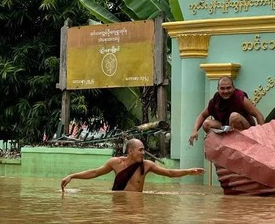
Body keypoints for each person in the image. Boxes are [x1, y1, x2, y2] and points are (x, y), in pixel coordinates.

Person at [60, 138, 204, 192]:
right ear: (130, 151)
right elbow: (95, 173)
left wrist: (189, 171)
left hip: (137, 206)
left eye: (143, 150)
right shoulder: (115, 163)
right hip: (118, 203)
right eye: (140, 150)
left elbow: (170, 173)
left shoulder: (147, 165)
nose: (143, 153)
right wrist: (72, 176)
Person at [188, 76, 264, 146]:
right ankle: (217, 144)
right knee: (206, 123)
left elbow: (258, 115)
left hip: (245, 128)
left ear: (233, 88)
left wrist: (262, 136)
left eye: (228, 88)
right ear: (218, 89)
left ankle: (234, 142)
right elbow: (202, 115)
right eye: (222, 88)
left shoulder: (240, 98)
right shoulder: (215, 100)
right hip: (226, 127)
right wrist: (194, 131)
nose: (226, 91)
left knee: (234, 116)